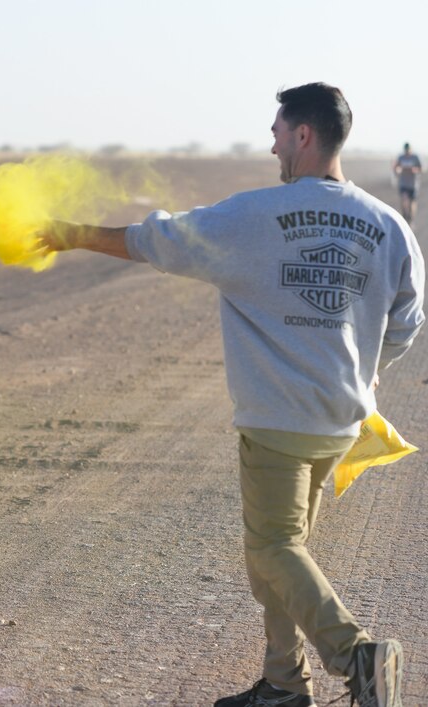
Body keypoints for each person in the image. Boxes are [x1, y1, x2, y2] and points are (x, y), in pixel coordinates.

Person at [39, 83, 423, 707]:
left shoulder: (255, 216)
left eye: (277, 129)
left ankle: (359, 656)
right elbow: (409, 318)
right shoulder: (390, 225)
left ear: (303, 135)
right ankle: (281, 683)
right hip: (340, 419)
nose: (271, 141)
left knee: (273, 547)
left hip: (276, 419)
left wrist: (73, 233)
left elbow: (156, 240)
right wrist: (367, 367)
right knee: (281, 555)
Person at [393, 142, 421, 225]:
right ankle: (404, 217)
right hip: (403, 183)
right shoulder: (401, 157)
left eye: (408, 150)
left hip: (413, 184)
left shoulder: (415, 157)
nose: (407, 152)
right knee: (404, 200)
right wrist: (398, 170)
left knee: (412, 203)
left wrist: (414, 170)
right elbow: (396, 167)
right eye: (405, 150)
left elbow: (420, 168)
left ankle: (411, 218)